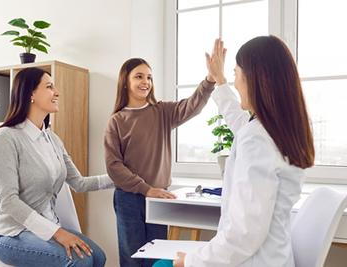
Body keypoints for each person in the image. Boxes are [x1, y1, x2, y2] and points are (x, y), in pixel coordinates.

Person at [171, 37, 315, 267]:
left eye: (236, 74)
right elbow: (242, 125)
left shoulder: (257, 138)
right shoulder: (282, 128)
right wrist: (220, 82)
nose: (236, 84)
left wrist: (191, 261)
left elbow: (244, 234)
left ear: (254, 79)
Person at [0, 67, 114, 267]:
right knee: (81, 261)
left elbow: (79, 183)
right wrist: (58, 233)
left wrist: (122, 178)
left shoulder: (52, 139)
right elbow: (8, 201)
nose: (57, 92)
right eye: (49, 87)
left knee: (98, 257)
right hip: (11, 234)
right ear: (30, 94)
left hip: (47, 228)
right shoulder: (6, 138)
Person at [104, 58, 217, 266]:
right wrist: (145, 189)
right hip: (128, 199)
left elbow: (192, 105)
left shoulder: (162, 112)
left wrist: (209, 80)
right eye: (139, 76)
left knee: (157, 256)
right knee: (133, 258)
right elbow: (114, 166)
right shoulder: (117, 121)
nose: (145, 82)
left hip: (159, 198)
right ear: (125, 82)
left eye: (149, 77)